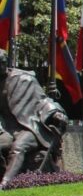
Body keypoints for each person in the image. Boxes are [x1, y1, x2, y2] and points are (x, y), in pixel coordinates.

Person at [0, 51, 69, 186]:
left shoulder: (23, 78)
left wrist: (55, 113)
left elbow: (43, 100)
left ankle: (5, 183)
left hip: (30, 126)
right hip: (7, 128)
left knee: (18, 147)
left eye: (2, 63)